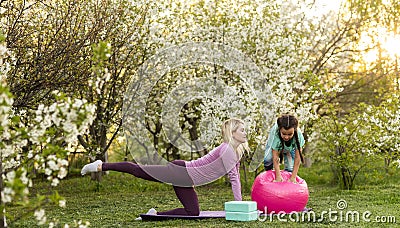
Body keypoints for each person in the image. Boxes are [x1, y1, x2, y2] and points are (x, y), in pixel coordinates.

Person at [81, 118, 248, 216]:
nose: (245, 133)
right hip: (180, 172)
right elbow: (234, 178)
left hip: (186, 179)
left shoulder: (233, 151)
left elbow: (236, 177)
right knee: (139, 170)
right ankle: (101, 165)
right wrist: (239, 206)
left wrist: (239, 204)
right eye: (242, 130)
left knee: (193, 212)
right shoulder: (227, 149)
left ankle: (155, 214)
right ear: (232, 133)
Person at [263, 114, 305, 183]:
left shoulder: (298, 136)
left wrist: (293, 177)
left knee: (290, 168)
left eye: (290, 134)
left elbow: (297, 158)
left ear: (294, 131)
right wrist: (278, 176)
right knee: (268, 159)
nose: (286, 137)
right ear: (280, 130)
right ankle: (269, 175)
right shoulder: (275, 134)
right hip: (276, 143)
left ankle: (287, 187)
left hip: (290, 146)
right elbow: (275, 157)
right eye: (284, 134)